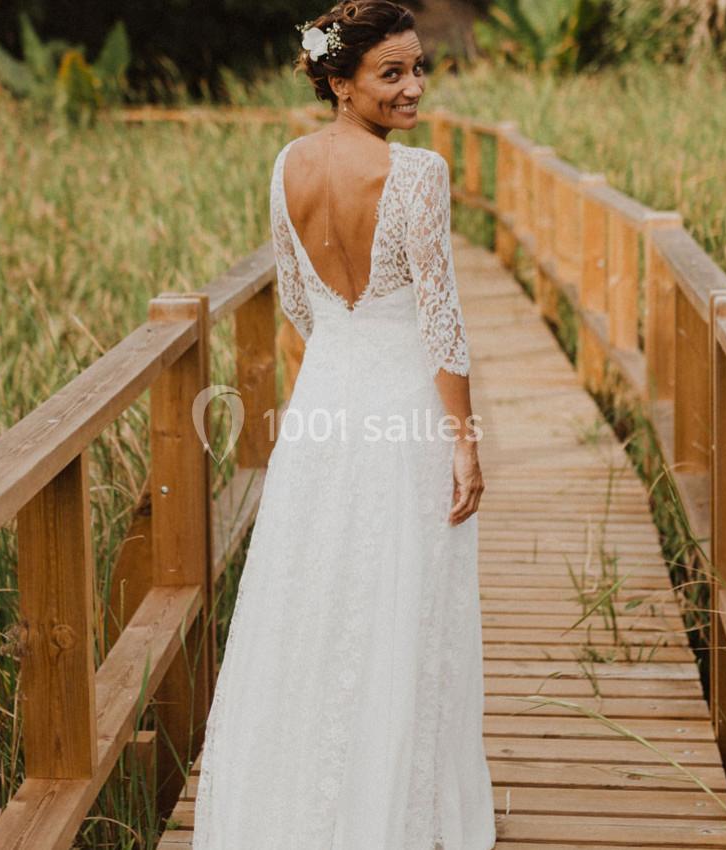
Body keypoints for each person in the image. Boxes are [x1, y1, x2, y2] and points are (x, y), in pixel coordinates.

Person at [190, 2, 494, 848]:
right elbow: (441, 324)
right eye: (391, 72)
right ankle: (393, 810)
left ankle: (300, 801)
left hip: (324, 403)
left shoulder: (287, 165)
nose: (413, 86)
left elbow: (298, 301)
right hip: (403, 407)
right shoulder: (418, 175)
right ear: (340, 82)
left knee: (314, 595)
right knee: (403, 599)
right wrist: (464, 444)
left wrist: (341, 351)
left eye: (418, 67)